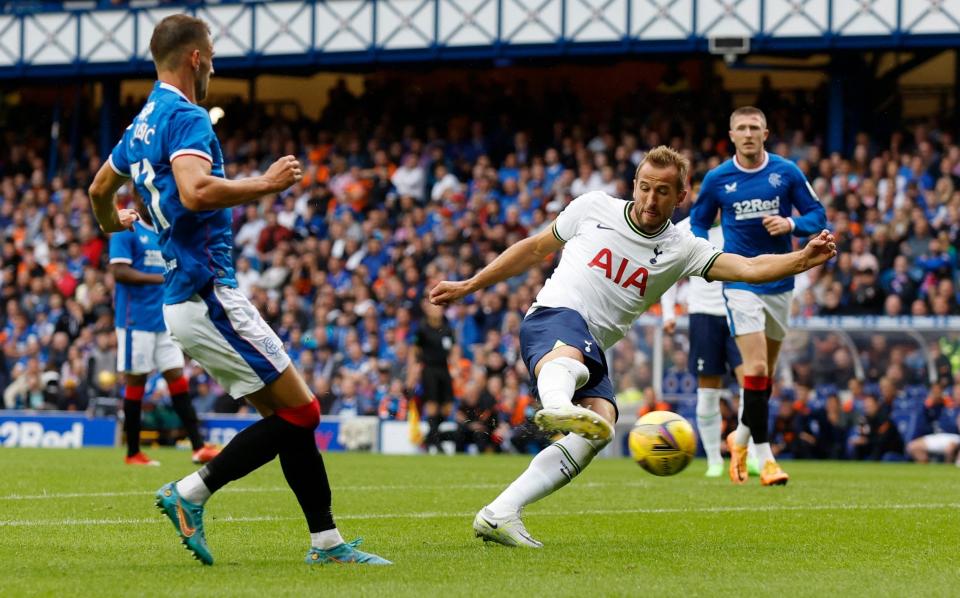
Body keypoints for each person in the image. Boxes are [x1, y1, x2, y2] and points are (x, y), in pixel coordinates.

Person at [88, 14, 389, 567]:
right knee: (303, 414)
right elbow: (197, 191)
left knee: (291, 418)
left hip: (187, 299)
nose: (215, 66)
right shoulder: (187, 117)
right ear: (197, 59)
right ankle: (190, 493)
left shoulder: (144, 121)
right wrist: (268, 184)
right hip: (207, 293)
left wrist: (112, 222)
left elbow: (99, 188)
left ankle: (326, 542)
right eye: (214, 56)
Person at [429, 146, 836, 547]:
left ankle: (500, 513)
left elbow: (747, 267)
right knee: (573, 363)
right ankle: (557, 404)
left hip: (592, 344)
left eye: (662, 191)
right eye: (643, 187)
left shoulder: (683, 248)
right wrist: (470, 284)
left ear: (681, 196)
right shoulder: (593, 207)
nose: (649, 199)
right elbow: (535, 248)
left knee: (600, 425)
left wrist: (801, 259)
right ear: (634, 185)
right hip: (554, 316)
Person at [690, 106, 826, 486]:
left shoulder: (786, 172)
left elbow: (818, 214)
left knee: (763, 379)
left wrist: (791, 223)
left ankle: (741, 437)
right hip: (740, 282)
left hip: (781, 281)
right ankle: (766, 460)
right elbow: (699, 220)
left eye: (754, 127)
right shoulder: (718, 179)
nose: (748, 133)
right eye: (741, 128)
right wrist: (706, 255)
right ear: (731, 134)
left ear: (765, 133)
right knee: (758, 370)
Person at [109, 193, 220, 466]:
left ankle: (198, 447)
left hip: (164, 319)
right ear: (138, 197)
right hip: (136, 321)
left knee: (176, 377)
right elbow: (120, 272)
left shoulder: (165, 231)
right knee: (136, 381)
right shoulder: (127, 229)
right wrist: (163, 278)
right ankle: (133, 452)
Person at [660, 215, 744, 477]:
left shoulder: (738, 221)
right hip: (703, 316)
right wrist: (668, 313)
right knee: (708, 392)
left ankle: (746, 452)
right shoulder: (684, 228)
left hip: (739, 311)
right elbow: (669, 272)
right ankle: (714, 461)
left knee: (750, 385)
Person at [413, 299, 456, 452]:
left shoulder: (447, 329)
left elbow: (453, 348)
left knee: (446, 406)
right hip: (429, 369)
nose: (437, 310)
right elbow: (415, 349)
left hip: (444, 369)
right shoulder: (422, 329)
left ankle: (430, 438)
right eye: (434, 308)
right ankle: (436, 443)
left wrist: (455, 366)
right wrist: (415, 370)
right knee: (432, 403)